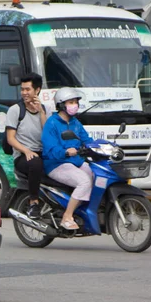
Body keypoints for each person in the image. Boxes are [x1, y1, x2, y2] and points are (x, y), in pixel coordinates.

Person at [42, 87, 94, 230]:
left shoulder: (75, 123)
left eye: (75, 102)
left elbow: (87, 139)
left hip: (76, 162)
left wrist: (101, 146)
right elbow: (50, 149)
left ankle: (81, 210)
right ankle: (67, 216)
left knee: (94, 174)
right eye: (70, 102)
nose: (74, 105)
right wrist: (65, 152)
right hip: (57, 164)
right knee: (84, 182)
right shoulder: (51, 123)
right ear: (61, 105)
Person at [6, 72, 49, 219]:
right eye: (22, 89)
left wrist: (41, 112)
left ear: (37, 90)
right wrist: (26, 151)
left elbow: (47, 134)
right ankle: (33, 203)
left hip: (43, 152)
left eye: (27, 89)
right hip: (23, 155)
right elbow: (10, 138)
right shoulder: (15, 110)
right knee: (35, 163)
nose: (24, 93)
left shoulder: (46, 109)